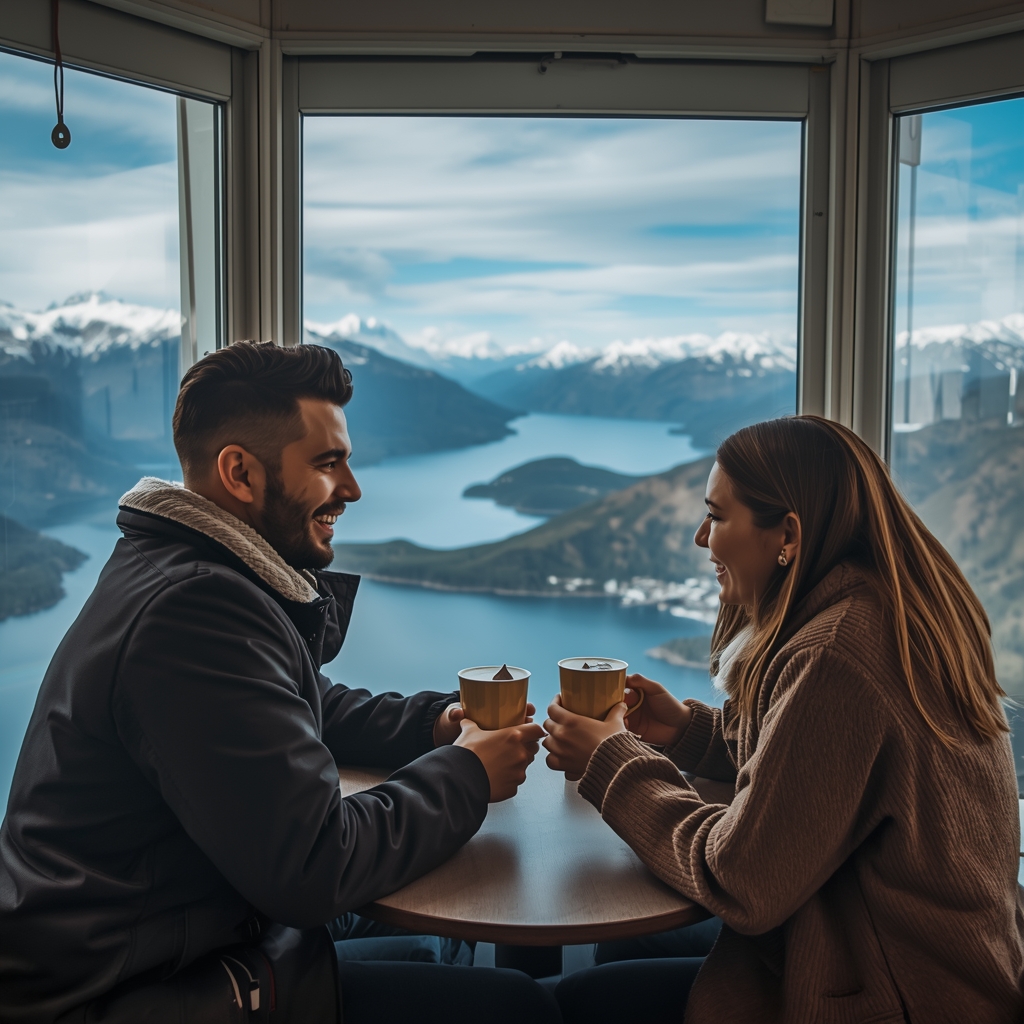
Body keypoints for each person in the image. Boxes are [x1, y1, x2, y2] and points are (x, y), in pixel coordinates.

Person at [0, 342, 557, 1023]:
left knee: (444, 934)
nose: (351, 488)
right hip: (137, 992)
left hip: (181, 939)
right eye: (329, 463)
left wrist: (434, 726)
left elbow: (289, 705)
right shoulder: (191, 611)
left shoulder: (179, 567)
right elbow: (315, 866)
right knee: (516, 1006)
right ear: (239, 471)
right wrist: (469, 771)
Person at [544, 415, 1024, 1024]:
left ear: (788, 535)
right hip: (945, 969)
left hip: (893, 997)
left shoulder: (837, 653)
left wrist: (612, 763)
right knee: (629, 943)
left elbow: (743, 881)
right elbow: (825, 773)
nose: (700, 537)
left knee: (581, 1002)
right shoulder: (883, 609)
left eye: (717, 516)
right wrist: (691, 734)